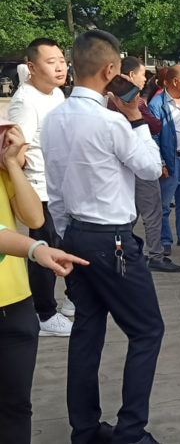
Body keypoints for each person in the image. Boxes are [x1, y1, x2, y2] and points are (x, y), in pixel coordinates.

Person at [41, 29, 165, 444]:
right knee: (147, 330)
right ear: (111, 69)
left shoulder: (54, 119)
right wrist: (136, 119)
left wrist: (64, 237)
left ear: (74, 66)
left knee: (87, 330)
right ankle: (131, 432)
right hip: (111, 239)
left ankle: (85, 430)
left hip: (74, 233)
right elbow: (150, 168)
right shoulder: (112, 122)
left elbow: (56, 189)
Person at [0, 121, 87, 444]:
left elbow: (34, 218)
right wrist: (35, 248)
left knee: (17, 407)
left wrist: (12, 163)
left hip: (16, 303)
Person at [8, 38, 75, 337]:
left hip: (61, 187)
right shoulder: (25, 102)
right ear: (32, 67)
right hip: (40, 191)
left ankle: (72, 299)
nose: (60, 67)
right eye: (51, 62)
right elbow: (16, 153)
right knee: (43, 250)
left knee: (66, 245)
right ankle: (44, 314)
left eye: (61, 60)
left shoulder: (57, 93)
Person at [107, 57, 180, 273]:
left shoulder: (110, 101)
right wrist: (140, 111)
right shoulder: (133, 102)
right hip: (140, 160)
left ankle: (118, 250)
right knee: (152, 212)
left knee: (131, 213)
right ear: (131, 75)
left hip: (121, 164)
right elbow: (156, 125)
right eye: (142, 74)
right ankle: (156, 255)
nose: (145, 79)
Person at [148, 64, 180, 257]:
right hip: (171, 160)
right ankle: (165, 240)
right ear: (175, 81)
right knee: (164, 205)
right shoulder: (157, 104)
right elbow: (153, 136)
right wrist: (161, 162)